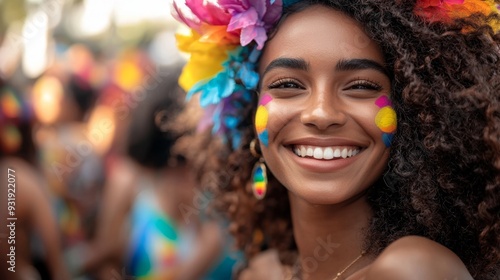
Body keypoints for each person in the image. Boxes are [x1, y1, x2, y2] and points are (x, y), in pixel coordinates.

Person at [171, 0, 500, 279]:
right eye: (288, 85)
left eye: (360, 86)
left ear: (414, 112)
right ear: (250, 116)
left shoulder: (413, 270)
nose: (321, 113)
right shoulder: (259, 272)